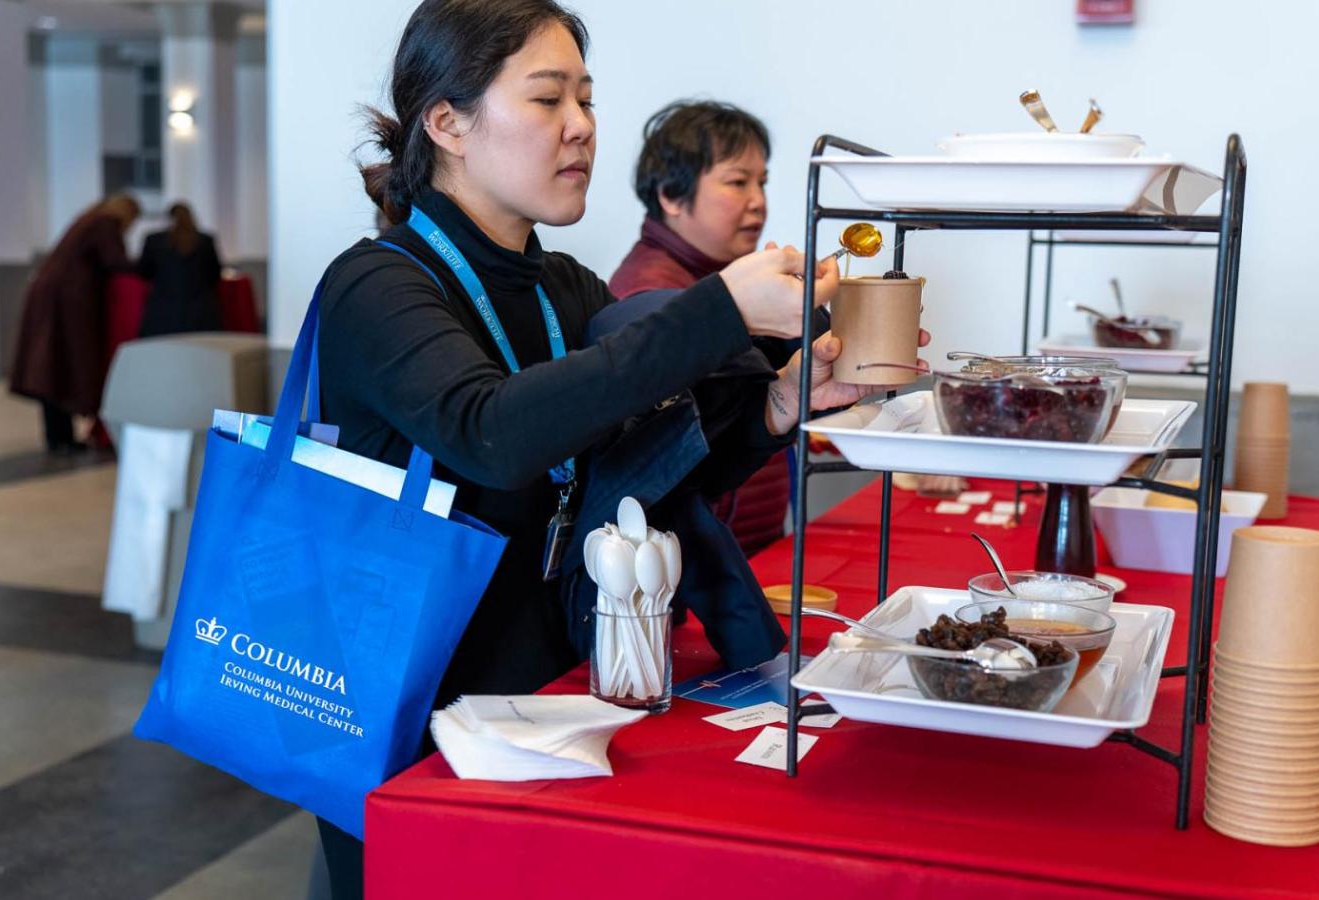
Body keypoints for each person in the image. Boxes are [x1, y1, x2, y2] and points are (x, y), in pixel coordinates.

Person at [310, 2, 917, 895]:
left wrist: (778, 407)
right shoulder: (377, 285)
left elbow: (645, 474)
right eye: (547, 98)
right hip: (412, 713)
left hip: (553, 698)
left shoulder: (564, 287)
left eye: (587, 100)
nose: (582, 126)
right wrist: (719, 311)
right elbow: (492, 433)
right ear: (446, 123)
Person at [609, 100, 795, 556]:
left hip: (747, 548)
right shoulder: (651, 298)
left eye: (762, 182)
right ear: (671, 195)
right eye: (737, 182)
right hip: (701, 566)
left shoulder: (722, 283)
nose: (759, 201)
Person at [9, 194, 140, 453]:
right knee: (62, 365)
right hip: (68, 300)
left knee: (52, 368)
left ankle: (59, 436)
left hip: (55, 296)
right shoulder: (105, 224)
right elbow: (115, 261)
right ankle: (60, 438)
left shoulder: (89, 220)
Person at [137, 202, 223, 337]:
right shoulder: (205, 241)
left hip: (163, 308)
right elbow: (214, 274)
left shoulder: (154, 240)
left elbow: (144, 271)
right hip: (200, 308)